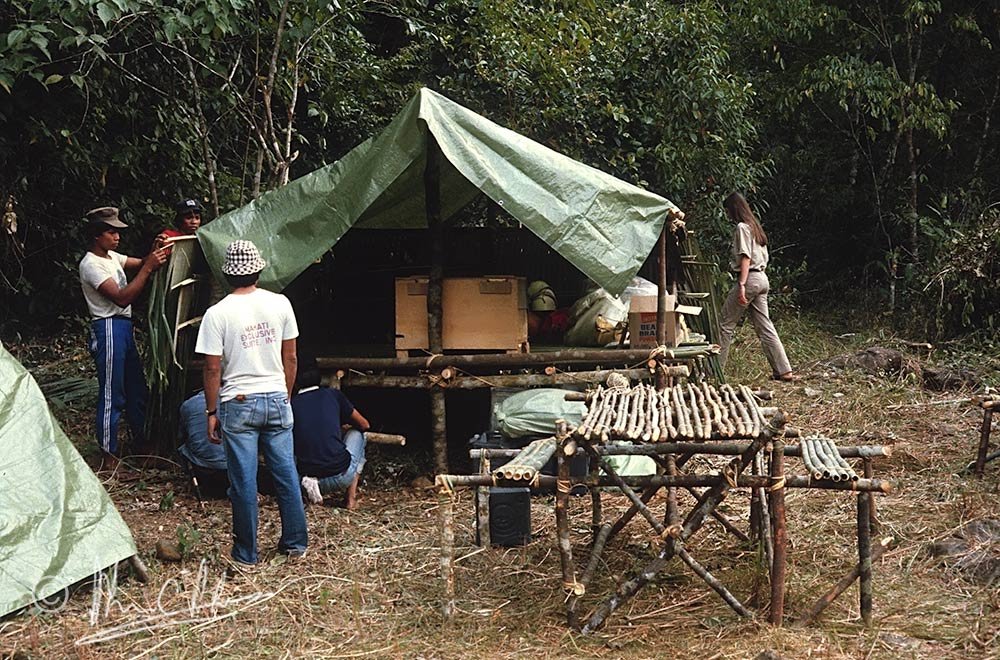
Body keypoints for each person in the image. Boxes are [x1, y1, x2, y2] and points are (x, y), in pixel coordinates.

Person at [195, 239, 308, 567]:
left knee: (243, 481)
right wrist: (284, 396)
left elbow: (213, 368)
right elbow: (292, 357)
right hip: (276, 396)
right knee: (286, 472)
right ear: (258, 270)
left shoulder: (217, 314)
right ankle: (295, 544)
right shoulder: (281, 304)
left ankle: (246, 554)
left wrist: (211, 411)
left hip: (238, 401)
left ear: (227, 274)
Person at [78, 206, 168, 471]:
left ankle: (141, 445)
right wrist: (149, 268)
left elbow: (140, 262)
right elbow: (122, 296)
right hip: (108, 328)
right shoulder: (91, 265)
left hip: (123, 328)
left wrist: (154, 252)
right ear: (96, 235)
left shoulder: (111, 257)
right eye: (111, 232)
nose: (116, 236)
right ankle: (109, 454)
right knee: (112, 394)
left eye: (117, 231)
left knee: (136, 389)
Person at [717, 192, 798, 382]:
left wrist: (742, 285)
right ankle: (784, 370)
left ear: (733, 210)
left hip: (750, 278)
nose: (727, 215)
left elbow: (745, 257)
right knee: (765, 326)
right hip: (762, 278)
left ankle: (715, 371)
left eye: (728, 211)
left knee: (725, 325)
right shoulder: (755, 228)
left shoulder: (742, 228)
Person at [292, 355, 370, 509]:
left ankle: (311, 497)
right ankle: (350, 500)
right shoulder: (332, 395)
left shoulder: (291, 404)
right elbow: (364, 424)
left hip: (304, 481)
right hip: (340, 477)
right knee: (359, 434)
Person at [176, 390, 230, 498]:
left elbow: (181, 436)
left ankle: (195, 481)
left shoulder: (189, 405)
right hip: (235, 467)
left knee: (183, 445)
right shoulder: (236, 402)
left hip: (204, 468)